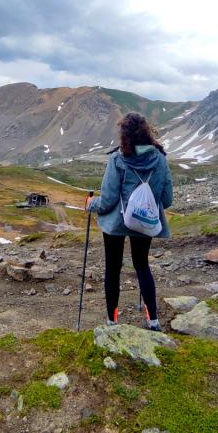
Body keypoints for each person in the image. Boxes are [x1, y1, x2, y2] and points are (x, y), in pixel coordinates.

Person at [87, 112, 172, 331]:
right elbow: (167, 199)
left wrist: (91, 204)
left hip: (116, 225)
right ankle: (153, 320)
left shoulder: (117, 159)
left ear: (124, 135)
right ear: (146, 131)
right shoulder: (160, 159)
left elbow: (107, 201)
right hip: (145, 221)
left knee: (112, 268)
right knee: (142, 265)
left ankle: (112, 321)